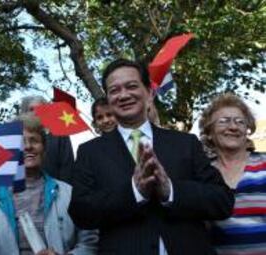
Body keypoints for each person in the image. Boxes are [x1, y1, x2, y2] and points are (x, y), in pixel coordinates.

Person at [68, 59, 234, 255]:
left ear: (149, 92)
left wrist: (171, 191)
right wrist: (134, 192)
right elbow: (81, 212)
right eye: (114, 90)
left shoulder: (185, 143)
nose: (123, 95)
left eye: (131, 86)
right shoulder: (90, 152)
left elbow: (222, 201)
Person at [0, 113, 98, 255]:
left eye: (34, 140)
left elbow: (89, 242)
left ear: (44, 148)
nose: (28, 146)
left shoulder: (67, 193)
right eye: (21, 142)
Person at [199, 93, 266, 254]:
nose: (233, 127)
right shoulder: (202, 173)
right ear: (209, 132)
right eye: (224, 121)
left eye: (240, 122)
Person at [0, 93, 75, 183]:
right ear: (24, 113)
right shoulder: (14, 136)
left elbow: (68, 169)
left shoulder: (60, 135)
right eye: (32, 109)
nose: (36, 113)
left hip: (54, 198)